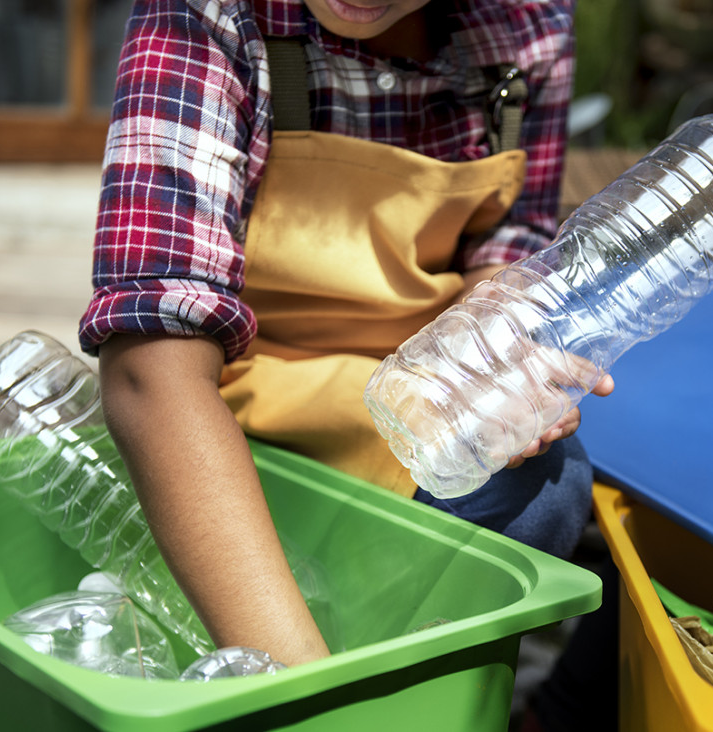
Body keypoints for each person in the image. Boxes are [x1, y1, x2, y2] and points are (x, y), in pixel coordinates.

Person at [79, 0, 613, 669]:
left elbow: (505, 243)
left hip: (410, 394)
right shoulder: (208, 14)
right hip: (228, 399)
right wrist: (297, 685)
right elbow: (148, 372)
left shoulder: (527, 24)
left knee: (546, 487)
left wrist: (496, 354)